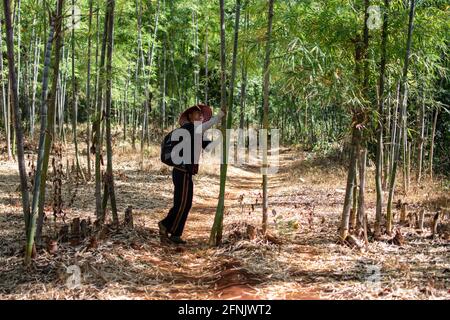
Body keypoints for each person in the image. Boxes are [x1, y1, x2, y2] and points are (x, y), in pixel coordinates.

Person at [158, 104, 225, 244]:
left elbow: (210, 147)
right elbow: (202, 128)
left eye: (201, 115)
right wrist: (218, 117)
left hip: (187, 173)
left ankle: (175, 233)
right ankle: (165, 225)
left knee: (185, 204)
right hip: (181, 171)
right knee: (181, 203)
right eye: (197, 114)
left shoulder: (197, 134)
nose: (200, 116)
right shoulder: (189, 128)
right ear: (189, 116)